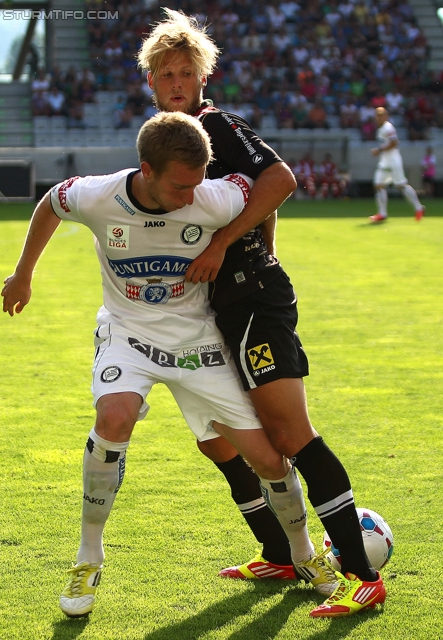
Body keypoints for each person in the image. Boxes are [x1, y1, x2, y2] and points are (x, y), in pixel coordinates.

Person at [1, 111, 335, 618]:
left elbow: (270, 187)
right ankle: (88, 556)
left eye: (197, 185)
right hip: (128, 332)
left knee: (267, 460)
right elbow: (50, 203)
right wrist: (22, 274)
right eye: (180, 188)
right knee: (113, 419)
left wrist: (240, 246)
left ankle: (305, 554)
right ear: (146, 170)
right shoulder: (97, 194)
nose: (189, 199)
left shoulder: (211, 195)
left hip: (198, 338)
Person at [137, 9, 386, 618]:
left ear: (203, 76)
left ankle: (362, 574)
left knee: (289, 434)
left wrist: (231, 246)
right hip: (216, 308)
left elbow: (277, 178)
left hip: (252, 298)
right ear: (151, 82)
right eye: (165, 74)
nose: (175, 83)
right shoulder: (167, 137)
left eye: (185, 73)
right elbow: (253, 191)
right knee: (224, 439)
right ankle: (279, 552)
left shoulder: (215, 125)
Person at [370, 107, 425, 223]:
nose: (379, 117)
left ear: (386, 116)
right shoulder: (380, 128)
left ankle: (419, 207)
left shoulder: (388, 127)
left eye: (381, 115)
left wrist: (379, 150)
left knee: (401, 185)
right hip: (384, 161)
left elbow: (394, 143)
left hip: (393, 161)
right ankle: (382, 213)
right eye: (377, 115)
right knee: (378, 185)